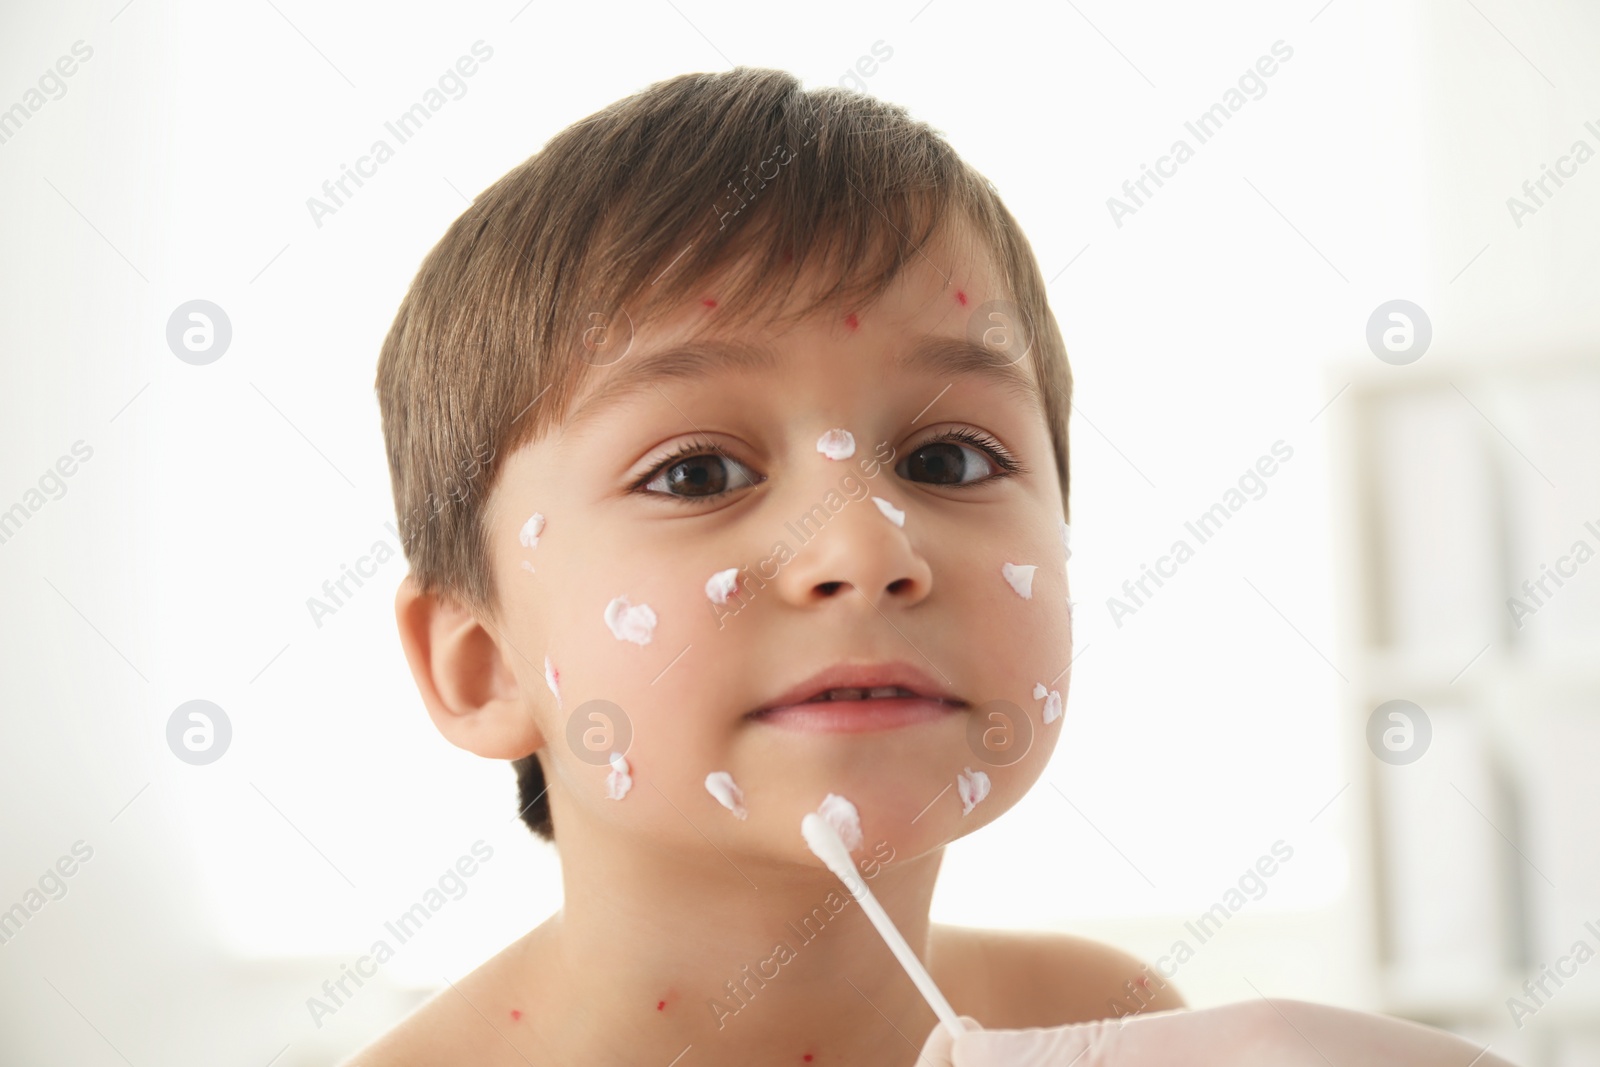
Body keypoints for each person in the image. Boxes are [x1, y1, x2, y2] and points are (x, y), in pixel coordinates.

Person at [345, 67, 1496, 1065]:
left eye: (950, 455)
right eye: (695, 473)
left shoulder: (1104, 1016)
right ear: (482, 663)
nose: (866, 548)